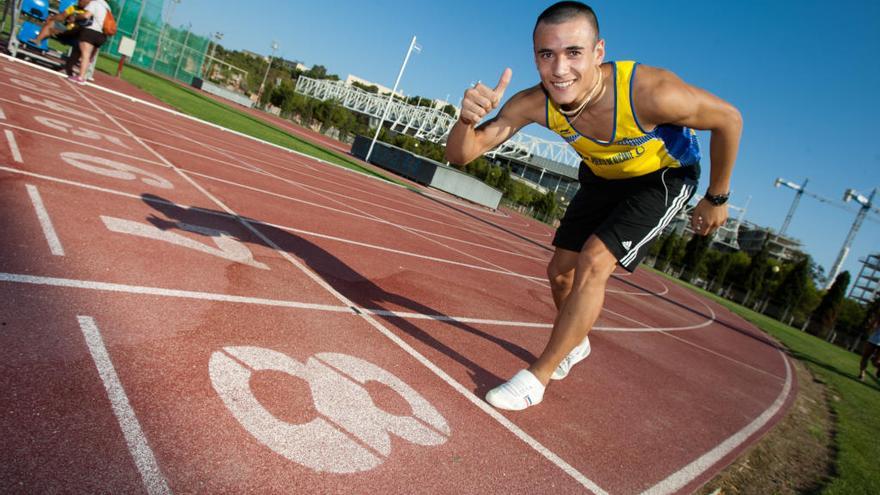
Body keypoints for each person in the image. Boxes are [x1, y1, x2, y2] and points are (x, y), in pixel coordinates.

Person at [445, 1, 742, 410]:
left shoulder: (651, 92)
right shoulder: (534, 102)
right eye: (546, 55)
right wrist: (465, 120)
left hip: (662, 176)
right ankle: (575, 340)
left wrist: (717, 196)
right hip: (603, 176)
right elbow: (462, 156)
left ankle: (538, 376)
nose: (560, 69)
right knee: (559, 275)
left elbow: (729, 119)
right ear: (535, 57)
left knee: (595, 261)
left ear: (598, 53)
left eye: (573, 53)